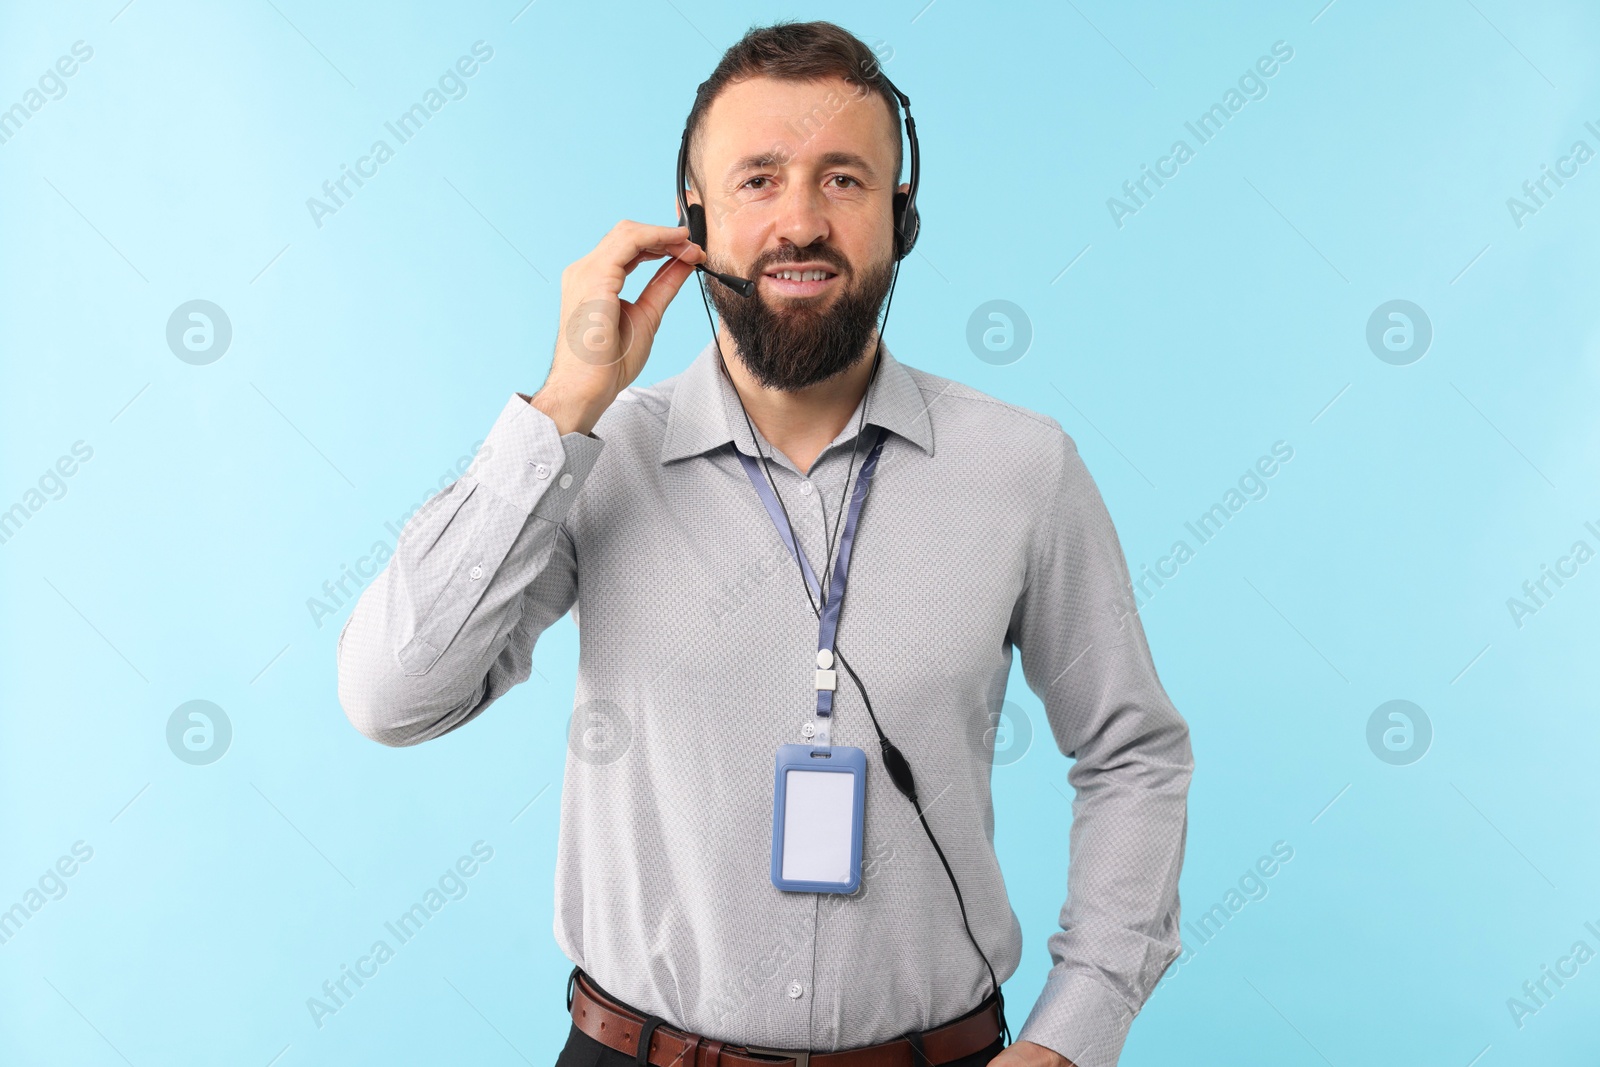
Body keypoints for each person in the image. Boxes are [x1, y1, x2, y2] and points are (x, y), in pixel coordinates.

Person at [337, 20, 1191, 1067]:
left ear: (900, 218)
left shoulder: (1022, 468)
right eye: (757, 180)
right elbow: (393, 696)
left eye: (843, 180)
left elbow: (1133, 751)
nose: (800, 220)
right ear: (691, 218)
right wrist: (563, 404)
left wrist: (1073, 1035)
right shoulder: (594, 453)